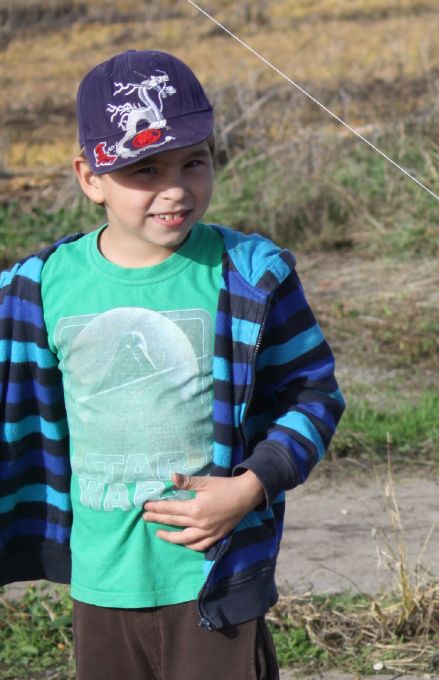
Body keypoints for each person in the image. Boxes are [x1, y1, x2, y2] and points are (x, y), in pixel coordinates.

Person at [0, 49, 345, 679]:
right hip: (101, 580)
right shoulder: (38, 287)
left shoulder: (250, 276)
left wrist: (250, 487)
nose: (176, 188)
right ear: (90, 177)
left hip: (212, 574)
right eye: (145, 169)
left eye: (194, 161)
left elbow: (313, 393)